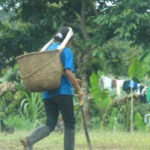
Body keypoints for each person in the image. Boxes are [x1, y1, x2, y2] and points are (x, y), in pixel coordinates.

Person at [20, 26, 83, 150]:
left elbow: (57, 72)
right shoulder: (65, 50)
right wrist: (78, 88)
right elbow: (68, 72)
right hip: (63, 92)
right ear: (68, 40)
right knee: (69, 122)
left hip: (47, 94)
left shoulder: (47, 50)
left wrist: (74, 80)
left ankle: (30, 139)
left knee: (50, 123)